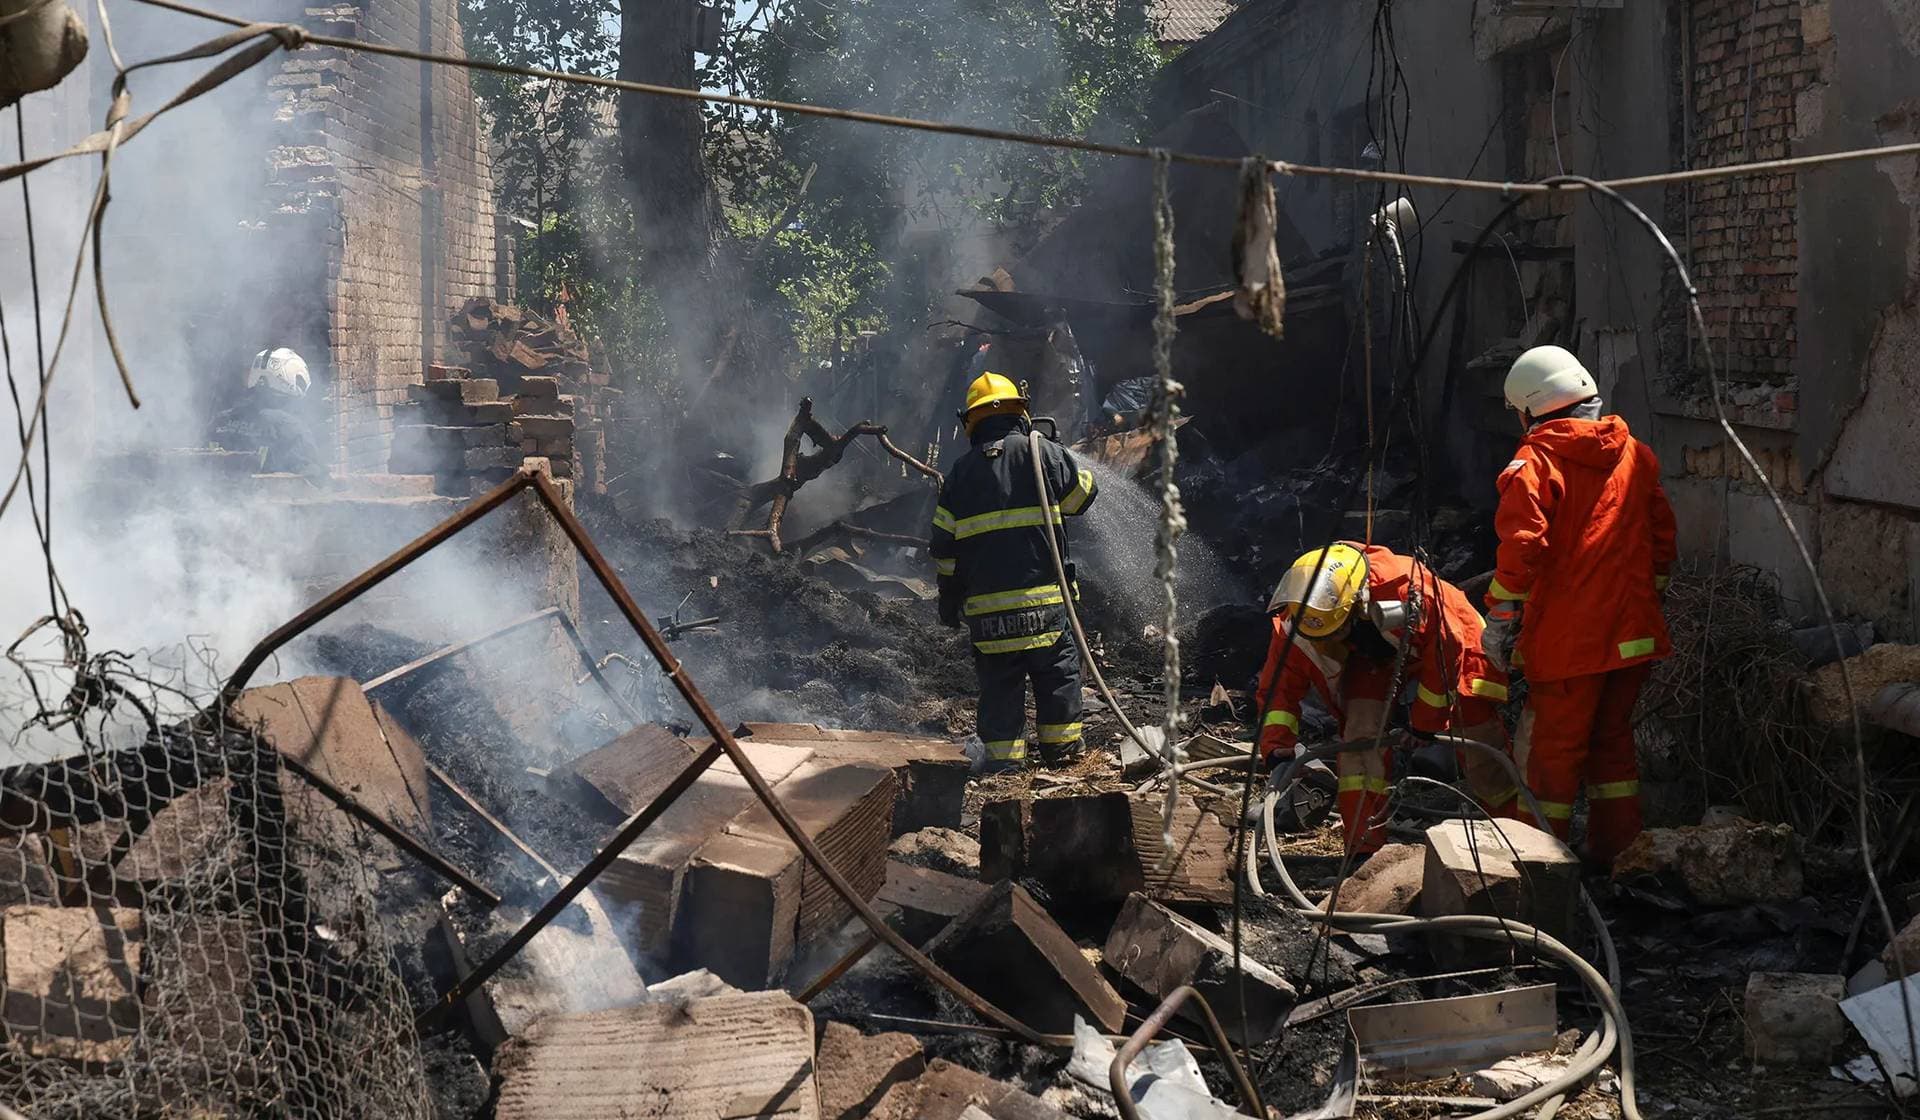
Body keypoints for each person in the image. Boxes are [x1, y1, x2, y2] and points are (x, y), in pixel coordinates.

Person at [1482, 344, 1676, 866]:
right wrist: (1641, 599)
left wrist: (1500, 616)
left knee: (1552, 757)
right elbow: (1662, 541)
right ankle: (1622, 858)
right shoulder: (1635, 451)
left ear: (1530, 407)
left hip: (1570, 644)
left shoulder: (1536, 462)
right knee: (1611, 746)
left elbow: (1523, 546)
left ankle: (1537, 872)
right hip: (1632, 638)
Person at [1257, 542, 1516, 856]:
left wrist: (1423, 725)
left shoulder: (1412, 591)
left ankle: (1517, 834)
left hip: (1450, 640)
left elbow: (1447, 653)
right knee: (1360, 740)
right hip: (1372, 658)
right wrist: (1277, 746)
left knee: (1480, 740)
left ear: (1357, 608)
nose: (1323, 646)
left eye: (1331, 637)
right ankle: (1362, 851)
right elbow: (1277, 691)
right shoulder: (1298, 620)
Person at [929, 372, 1099, 774]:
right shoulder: (1043, 455)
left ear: (969, 421)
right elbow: (1083, 497)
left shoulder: (958, 476)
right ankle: (1063, 752)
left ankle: (1005, 764)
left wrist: (949, 599)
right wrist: (1059, 454)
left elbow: (943, 550)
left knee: (1000, 686)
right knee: (1057, 676)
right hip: (1047, 609)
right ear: (1020, 412)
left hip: (989, 618)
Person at [208, 348, 324, 476]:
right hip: (267, 495)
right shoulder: (292, 428)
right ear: (288, 377)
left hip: (209, 493)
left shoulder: (222, 419)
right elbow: (313, 477)